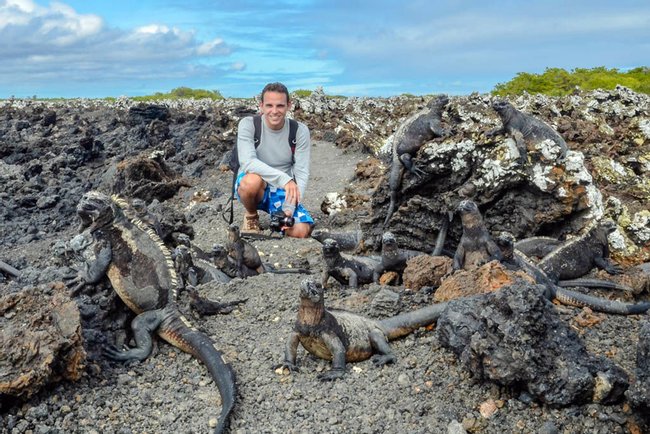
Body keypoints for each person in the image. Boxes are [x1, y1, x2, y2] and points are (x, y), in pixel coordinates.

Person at [235, 82, 314, 238]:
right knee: (251, 182)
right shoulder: (248, 125)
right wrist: (284, 179)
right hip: (255, 184)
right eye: (269, 105)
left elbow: (302, 172)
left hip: (282, 189)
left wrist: (289, 209)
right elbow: (247, 162)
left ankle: (277, 220)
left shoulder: (299, 131)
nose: (274, 111)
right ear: (261, 106)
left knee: (301, 231)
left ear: (289, 106)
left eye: (280, 106)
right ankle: (251, 216)